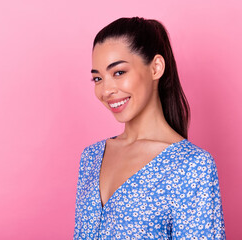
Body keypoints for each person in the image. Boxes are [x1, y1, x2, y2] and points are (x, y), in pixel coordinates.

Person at [73, 17, 225, 239]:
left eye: (118, 72)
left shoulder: (192, 167)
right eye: (98, 78)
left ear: (155, 68)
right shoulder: (91, 157)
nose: (106, 90)